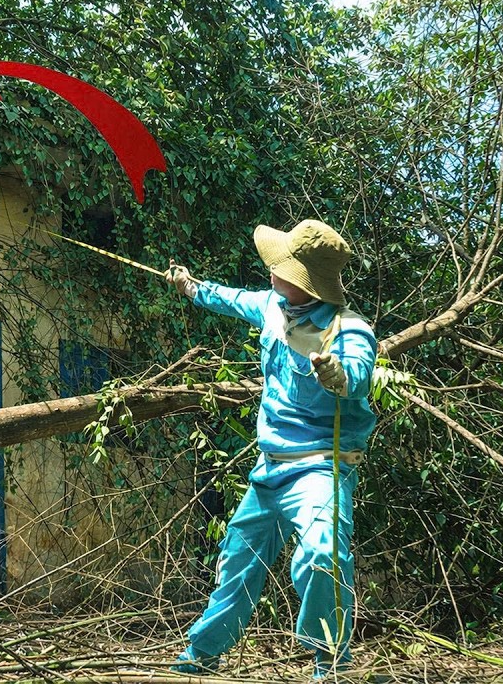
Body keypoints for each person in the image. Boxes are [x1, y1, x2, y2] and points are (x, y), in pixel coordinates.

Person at [165, 219, 378, 678]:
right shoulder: (272, 305)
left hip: (321, 468)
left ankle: (330, 662)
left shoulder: (348, 329)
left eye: (280, 265)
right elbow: (228, 297)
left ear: (306, 280)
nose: (271, 271)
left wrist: (340, 376)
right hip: (269, 469)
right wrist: (189, 286)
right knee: (238, 560)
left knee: (324, 553)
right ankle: (201, 655)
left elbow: (359, 371)